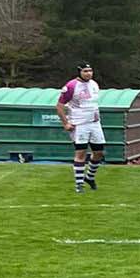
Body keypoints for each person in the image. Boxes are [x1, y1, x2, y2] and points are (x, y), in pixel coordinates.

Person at [56, 63, 104, 194]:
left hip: (94, 123)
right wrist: (65, 123)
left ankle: (89, 177)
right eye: (85, 71)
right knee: (81, 153)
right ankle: (79, 184)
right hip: (79, 124)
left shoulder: (94, 84)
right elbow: (59, 106)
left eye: (90, 70)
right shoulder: (71, 86)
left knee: (99, 153)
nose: (88, 73)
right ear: (79, 72)